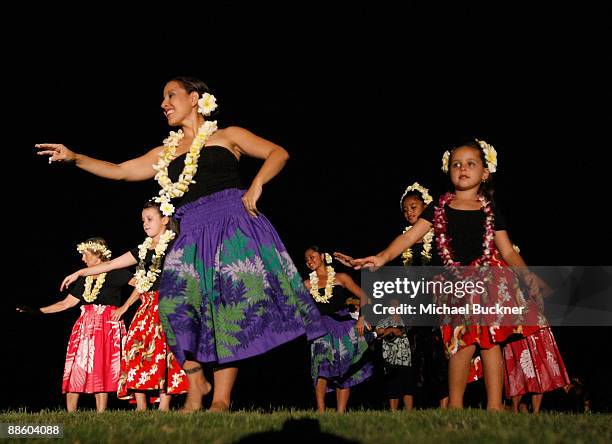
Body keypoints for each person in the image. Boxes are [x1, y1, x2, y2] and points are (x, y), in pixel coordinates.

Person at [37, 76, 326, 412]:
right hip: (188, 231)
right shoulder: (166, 151)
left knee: (225, 309)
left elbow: (278, 153)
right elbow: (120, 170)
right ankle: (195, 380)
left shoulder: (227, 136)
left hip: (230, 225)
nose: (163, 104)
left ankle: (219, 399)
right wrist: (76, 158)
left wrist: (257, 184)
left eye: (170, 96)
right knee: (173, 307)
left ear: (194, 97)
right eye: (163, 99)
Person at [335, 139, 546, 411]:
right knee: (461, 343)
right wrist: (382, 257)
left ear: (484, 172)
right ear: (449, 171)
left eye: (471, 164)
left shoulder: (491, 210)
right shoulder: (438, 208)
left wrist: (528, 276)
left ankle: (495, 407)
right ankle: (455, 405)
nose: (462, 169)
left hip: (487, 283)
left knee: (491, 343)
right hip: (455, 286)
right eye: (456, 164)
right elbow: (410, 236)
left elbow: (507, 251)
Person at [61, 201, 189, 411]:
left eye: (150, 219)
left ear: (165, 220)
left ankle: (164, 404)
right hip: (146, 303)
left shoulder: (176, 245)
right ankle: (141, 406)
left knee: (164, 350)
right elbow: (110, 265)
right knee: (132, 348)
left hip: (169, 302)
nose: (145, 224)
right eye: (143, 221)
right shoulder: (141, 250)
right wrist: (79, 273)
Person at [18, 238, 132, 412]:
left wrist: (124, 307)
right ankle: (71, 414)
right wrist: (38, 311)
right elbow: (66, 304)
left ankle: (101, 414)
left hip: (107, 326)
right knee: (75, 366)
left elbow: (142, 285)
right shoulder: (84, 278)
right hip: (85, 326)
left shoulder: (116, 272)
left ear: (97, 254)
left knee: (101, 366)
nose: (83, 260)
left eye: (85, 255)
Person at [304, 246, 373, 413]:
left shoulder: (341, 278)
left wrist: (361, 319)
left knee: (345, 370)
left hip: (344, 328)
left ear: (322, 256)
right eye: (306, 260)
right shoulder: (306, 284)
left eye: (312, 257)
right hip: (321, 329)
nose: (309, 261)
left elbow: (366, 298)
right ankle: (321, 410)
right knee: (321, 366)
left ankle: (340, 412)